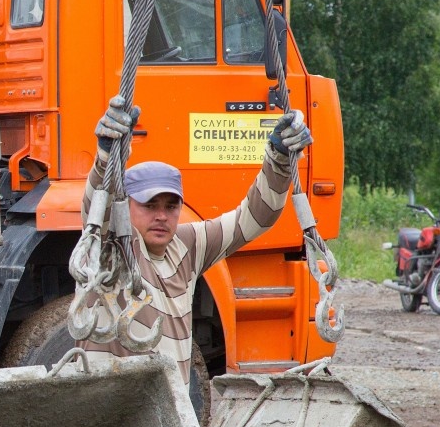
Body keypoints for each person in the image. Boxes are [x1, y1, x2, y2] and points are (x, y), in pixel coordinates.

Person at [79, 95, 312, 385]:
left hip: (167, 411)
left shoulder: (188, 245)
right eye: (150, 206)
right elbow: (95, 213)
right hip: (111, 409)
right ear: (126, 207)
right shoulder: (111, 247)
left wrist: (278, 161)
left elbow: (255, 218)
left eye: (171, 206)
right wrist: (105, 157)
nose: (162, 216)